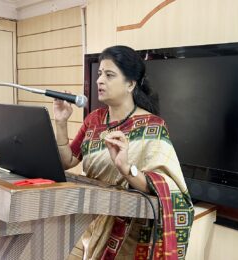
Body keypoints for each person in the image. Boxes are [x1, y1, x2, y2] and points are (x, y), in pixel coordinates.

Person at [54, 45, 194, 260]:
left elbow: (165, 185)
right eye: (100, 73)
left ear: (130, 84)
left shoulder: (152, 126)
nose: (100, 80)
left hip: (128, 228)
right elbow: (68, 161)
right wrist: (61, 122)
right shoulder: (94, 119)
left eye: (109, 75)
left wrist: (126, 168)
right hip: (89, 218)